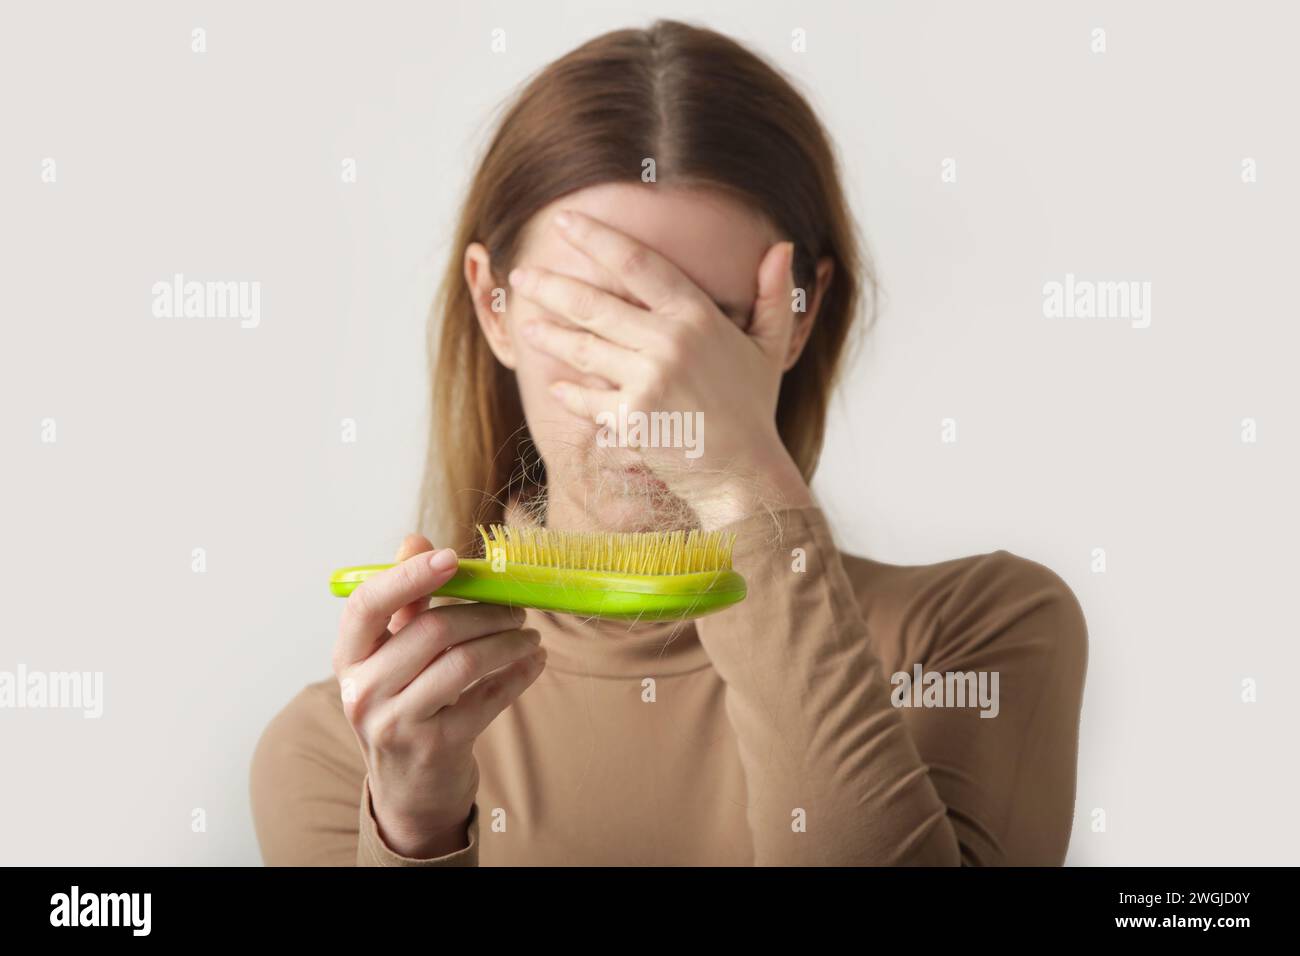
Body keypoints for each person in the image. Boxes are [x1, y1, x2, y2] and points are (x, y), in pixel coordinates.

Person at [250, 19, 1087, 866]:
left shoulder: (976, 632)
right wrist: (414, 836)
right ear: (491, 304)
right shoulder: (341, 746)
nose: (646, 397)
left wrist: (739, 485)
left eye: (709, 335)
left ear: (798, 317)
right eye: (590, 321)